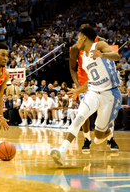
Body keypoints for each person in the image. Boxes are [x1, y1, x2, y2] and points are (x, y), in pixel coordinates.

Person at [50, 27, 121, 166]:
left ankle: (107, 131)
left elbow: (116, 56)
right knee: (79, 118)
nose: (76, 43)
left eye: (77, 39)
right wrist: (78, 90)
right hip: (93, 91)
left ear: (83, 37)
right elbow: (91, 80)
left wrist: (101, 55)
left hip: (110, 93)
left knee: (98, 137)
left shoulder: (98, 45)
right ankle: (62, 151)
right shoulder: (83, 57)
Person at [68, 19, 119, 152]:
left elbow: (112, 57)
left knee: (106, 110)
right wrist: (78, 87)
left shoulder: (100, 42)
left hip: (102, 83)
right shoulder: (75, 48)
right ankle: (86, 139)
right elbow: (72, 68)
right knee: (83, 115)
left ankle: (110, 137)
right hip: (85, 82)